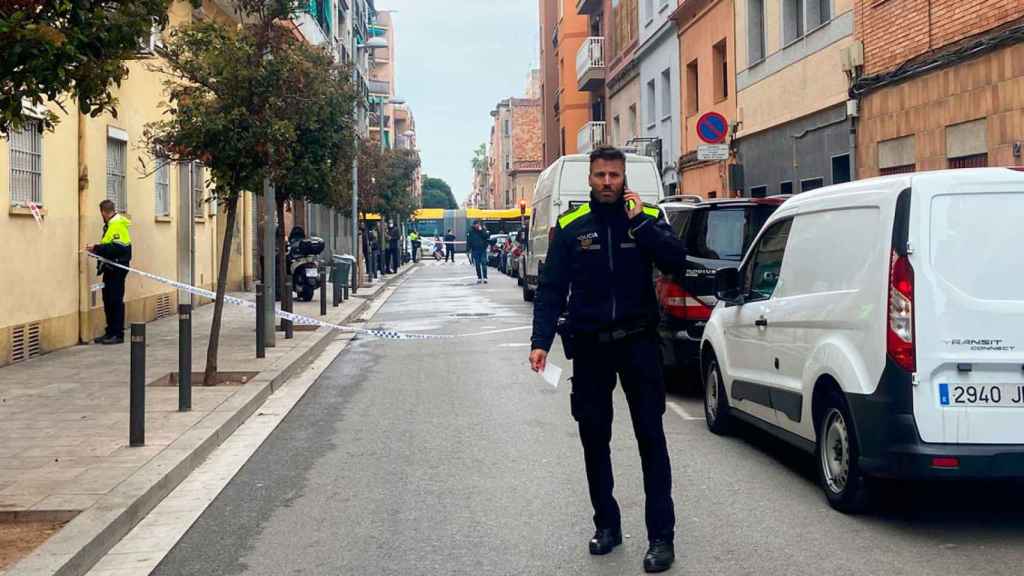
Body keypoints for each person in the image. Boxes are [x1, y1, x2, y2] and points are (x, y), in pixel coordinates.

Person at [529, 146, 688, 573]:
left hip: (639, 344)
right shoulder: (569, 226)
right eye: (600, 175)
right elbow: (550, 288)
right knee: (594, 440)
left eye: (614, 175)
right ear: (590, 179)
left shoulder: (648, 220)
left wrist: (640, 223)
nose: (606, 182)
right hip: (592, 347)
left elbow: (676, 262)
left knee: (651, 439)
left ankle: (661, 538)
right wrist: (540, 340)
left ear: (624, 178)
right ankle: (607, 525)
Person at [87, 200, 133, 345]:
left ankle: (117, 334)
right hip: (110, 267)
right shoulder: (111, 224)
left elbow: (118, 248)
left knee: (115, 301)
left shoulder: (117, 224)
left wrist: (97, 248)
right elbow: (110, 244)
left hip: (117, 268)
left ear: (103, 212)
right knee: (108, 300)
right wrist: (97, 249)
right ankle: (110, 331)